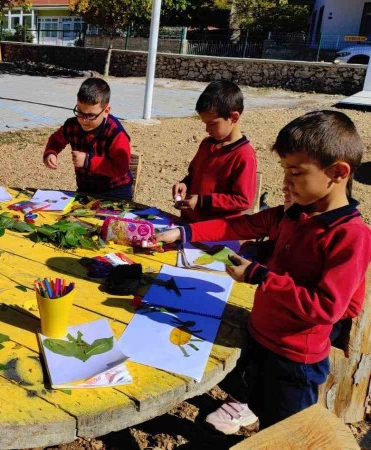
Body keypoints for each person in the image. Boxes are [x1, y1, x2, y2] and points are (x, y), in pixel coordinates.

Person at [156, 110, 371, 433]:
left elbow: (327, 308)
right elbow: (238, 225)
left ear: (338, 172)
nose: (285, 182)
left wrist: (259, 276)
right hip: (260, 335)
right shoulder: (295, 213)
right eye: (285, 170)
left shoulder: (351, 236)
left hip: (294, 359)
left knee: (283, 431)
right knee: (254, 399)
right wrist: (185, 233)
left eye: (296, 172)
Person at [172, 81, 257, 222]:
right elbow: (193, 175)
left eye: (212, 124)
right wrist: (184, 184)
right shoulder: (207, 144)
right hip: (190, 222)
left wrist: (202, 201)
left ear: (234, 117)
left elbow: (243, 200)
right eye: (205, 123)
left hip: (216, 229)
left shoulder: (244, 155)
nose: (207, 129)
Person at [43, 78, 133, 199]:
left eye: (91, 115)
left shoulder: (116, 133)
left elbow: (120, 168)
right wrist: (51, 153)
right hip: (85, 189)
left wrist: (87, 160)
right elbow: (56, 140)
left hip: (115, 191)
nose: (84, 120)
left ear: (106, 111)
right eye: (80, 112)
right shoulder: (72, 125)